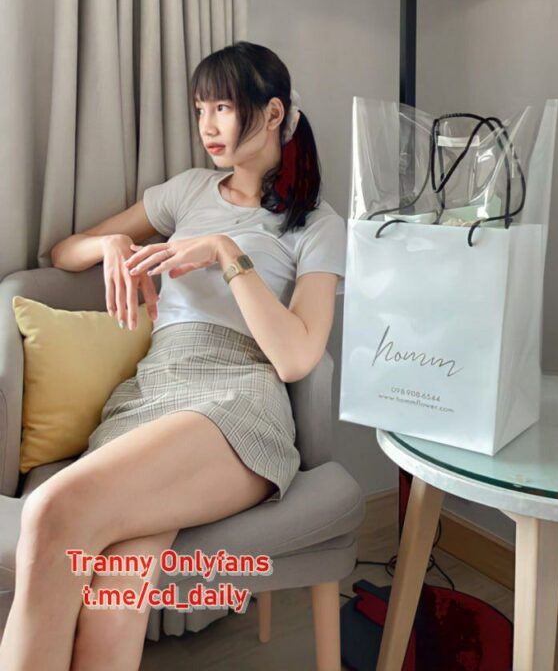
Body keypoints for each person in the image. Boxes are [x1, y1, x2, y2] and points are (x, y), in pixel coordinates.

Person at [0, 41, 347, 671]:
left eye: (223, 108)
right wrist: (110, 243)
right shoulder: (188, 191)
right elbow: (63, 252)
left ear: (272, 113)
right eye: (200, 109)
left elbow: (297, 358)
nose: (208, 125)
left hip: (237, 400)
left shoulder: (316, 224)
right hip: (152, 389)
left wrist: (226, 253)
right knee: (112, 601)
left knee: (49, 509)